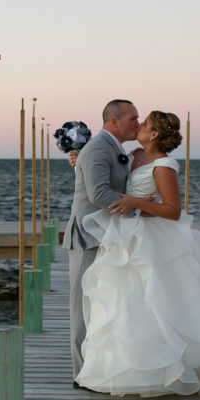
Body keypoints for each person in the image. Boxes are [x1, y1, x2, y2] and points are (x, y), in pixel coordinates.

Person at [75, 111, 200, 398]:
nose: (139, 126)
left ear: (154, 134)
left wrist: (135, 203)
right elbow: (107, 174)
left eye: (144, 124)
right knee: (126, 301)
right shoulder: (135, 154)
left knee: (158, 299)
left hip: (153, 238)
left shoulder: (165, 166)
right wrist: (79, 160)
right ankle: (125, 368)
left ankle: (169, 370)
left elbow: (172, 210)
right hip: (127, 236)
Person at [63, 99, 140, 383]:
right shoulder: (97, 148)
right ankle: (81, 372)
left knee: (103, 304)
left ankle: (100, 364)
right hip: (88, 238)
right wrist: (139, 210)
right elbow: (97, 194)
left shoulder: (114, 148)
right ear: (113, 122)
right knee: (81, 307)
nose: (138, 123)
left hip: (107, 236)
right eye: (133, 118)